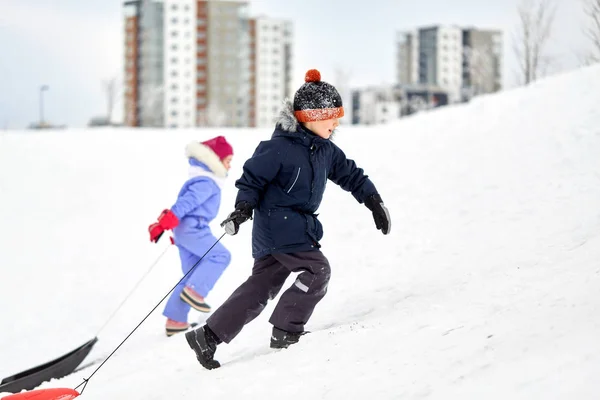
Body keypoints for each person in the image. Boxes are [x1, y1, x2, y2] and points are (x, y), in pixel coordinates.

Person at [185, 69, 391, 369]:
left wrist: (373, 200)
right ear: (309, 117)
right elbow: (251, 180)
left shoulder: (325, 150)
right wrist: (243, 209)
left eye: (338, 116)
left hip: (289, 228)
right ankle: (286, 329)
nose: (336, 123)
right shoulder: (278, 148)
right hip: (279, 225)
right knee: (317, 271)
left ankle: (209, 335)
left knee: (260, 288)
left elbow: (351, 174)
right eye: (331, 117)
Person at [148, 136, 234, 337]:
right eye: (228, 160)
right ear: (216, 160)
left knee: (192, 273)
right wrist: (167, 219)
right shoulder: (207, 181)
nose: (230, 165)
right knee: (221, 256)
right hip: (192, 228)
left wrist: (170, 224)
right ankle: (195, 292)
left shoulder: (203, 178)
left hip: (184, 230)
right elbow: (188, 202)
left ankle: (176, 320)